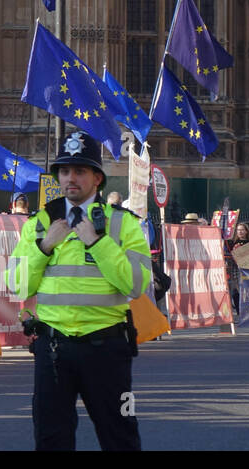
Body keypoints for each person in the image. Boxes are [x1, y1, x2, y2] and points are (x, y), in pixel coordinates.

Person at [8, 130, 152, 451]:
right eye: (64, 171)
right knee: (50, 438)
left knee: (121, 435)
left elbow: (136, 284)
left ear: (97, 178)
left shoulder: (123, 224)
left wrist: (98, 244)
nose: (70, 178)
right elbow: (16, 284)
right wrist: (43, 248)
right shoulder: (39, 224)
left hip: (108, 349)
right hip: (53, 349)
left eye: (80, 171)